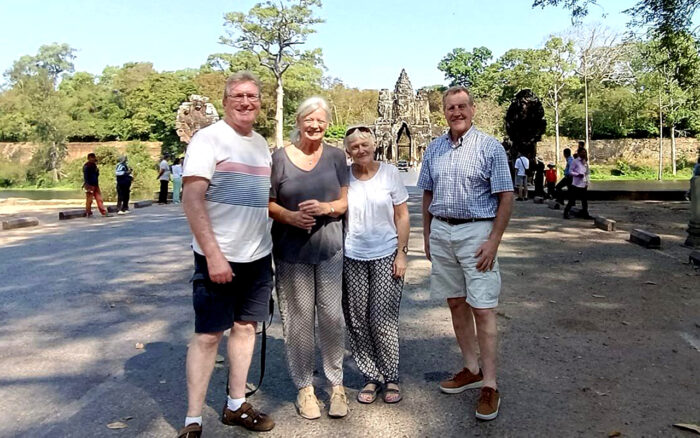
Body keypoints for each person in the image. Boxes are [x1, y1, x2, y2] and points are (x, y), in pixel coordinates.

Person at [178, 71, 275, 438]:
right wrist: (214, 255)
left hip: (257, 256)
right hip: (218, 255)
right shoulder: (209, 139)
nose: (246, 102)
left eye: (252, 96)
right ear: (225, 100)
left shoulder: (261, 144)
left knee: (246, 328)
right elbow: (192, 199)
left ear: (260, 102)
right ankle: (192, 419)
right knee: (207, 335)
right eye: (239, 96)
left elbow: (262, 200)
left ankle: (236, 404)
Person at [417, 86, 513, 421]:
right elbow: (427, 193)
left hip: (477, 231)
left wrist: (494, 240)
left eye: (461, 106)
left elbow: (506, 196)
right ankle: (470, 368)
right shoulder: (434, 148)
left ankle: (490, 383)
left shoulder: (490, 147)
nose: (456, 112)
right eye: (449, 107)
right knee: (455, 301)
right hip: (442, 229)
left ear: (472, 109)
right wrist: (428, 234)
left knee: (483, 307)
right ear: (443, 111)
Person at [268, 96, 349, 420]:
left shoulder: (336, 157)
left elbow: (345, 203)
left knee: (332, 318)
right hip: (291, 252)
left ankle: (336, 384)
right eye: (309, 120)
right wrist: (290, 217)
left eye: (321, 120)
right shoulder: (280, 158)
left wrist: (326, 208)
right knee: (298, 322)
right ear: (299, 121)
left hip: (329, 249)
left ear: (327, 123)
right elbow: (267, 203)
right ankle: (305, 388)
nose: (315, 125)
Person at [342, 125, 410, 405]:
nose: (361, 150)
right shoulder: (344, 177)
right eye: (355, 146)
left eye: (365, 145)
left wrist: (402, 254)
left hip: (385, 253)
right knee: (357, 320)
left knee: (382, 320)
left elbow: (402, 216)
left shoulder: (389, 173)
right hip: (352, 255)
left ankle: (390, 376)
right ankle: (371, 375)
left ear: (374, 146)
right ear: (348, 151)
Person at [564, 146, 592, 220]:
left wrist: (587, 182)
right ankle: (566, 213)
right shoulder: (575, 161)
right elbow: (570, 171)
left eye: (585, 152)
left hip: (583, 184)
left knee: (584, 201)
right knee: (572, 200)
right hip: (576, 184)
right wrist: (577, 174)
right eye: (582, 152)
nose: (584, 154)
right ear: (579, 153)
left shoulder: (585, 162)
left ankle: (586, 214)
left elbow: (587, 172)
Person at [83, 152, 108, 217]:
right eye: (92, 158)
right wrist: (87, 184)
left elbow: (96, 175)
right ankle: (89, 213)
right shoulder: (86, 166)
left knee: (99, 199)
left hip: (96, 184)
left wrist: (97, 171)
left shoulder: (94, 165)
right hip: (89, 185)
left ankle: (104, 212)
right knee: (89, 200)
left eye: (94, 157)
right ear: (88, 158)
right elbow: (86, 176)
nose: (93, 159)